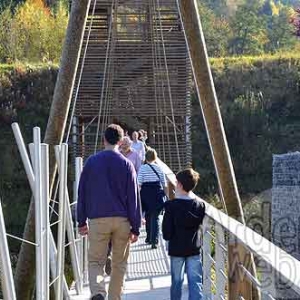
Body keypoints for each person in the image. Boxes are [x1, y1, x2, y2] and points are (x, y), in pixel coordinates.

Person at [77, 124, 141, 300]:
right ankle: (114, 297)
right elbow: (134, 198)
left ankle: (98, 292)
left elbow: (82, 192)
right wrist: (135, 227)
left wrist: (81, 221)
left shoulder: (91, 162)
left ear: (103, 140)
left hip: (98, 219)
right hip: (122, 221)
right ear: (120, 142)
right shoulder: (128, 165)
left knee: (96, 261)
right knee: (119, 264)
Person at [162, 168, 205, 300]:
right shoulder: (200, 205)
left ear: (179, 185)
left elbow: (166, 233)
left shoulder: (170, 206)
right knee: (195, 282)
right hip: (194, 249)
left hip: (176, 249)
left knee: (176, 281)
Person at [138, 148, 168, 249]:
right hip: (157, 193)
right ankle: (154, 240)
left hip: (146, 193)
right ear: (155, 157)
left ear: (146, 158)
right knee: (155, 216)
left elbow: (139, 183)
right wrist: (166, 195)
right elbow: (164, 183)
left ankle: (148, 237)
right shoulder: (159, 168)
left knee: (148, 215)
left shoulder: (142, 168)